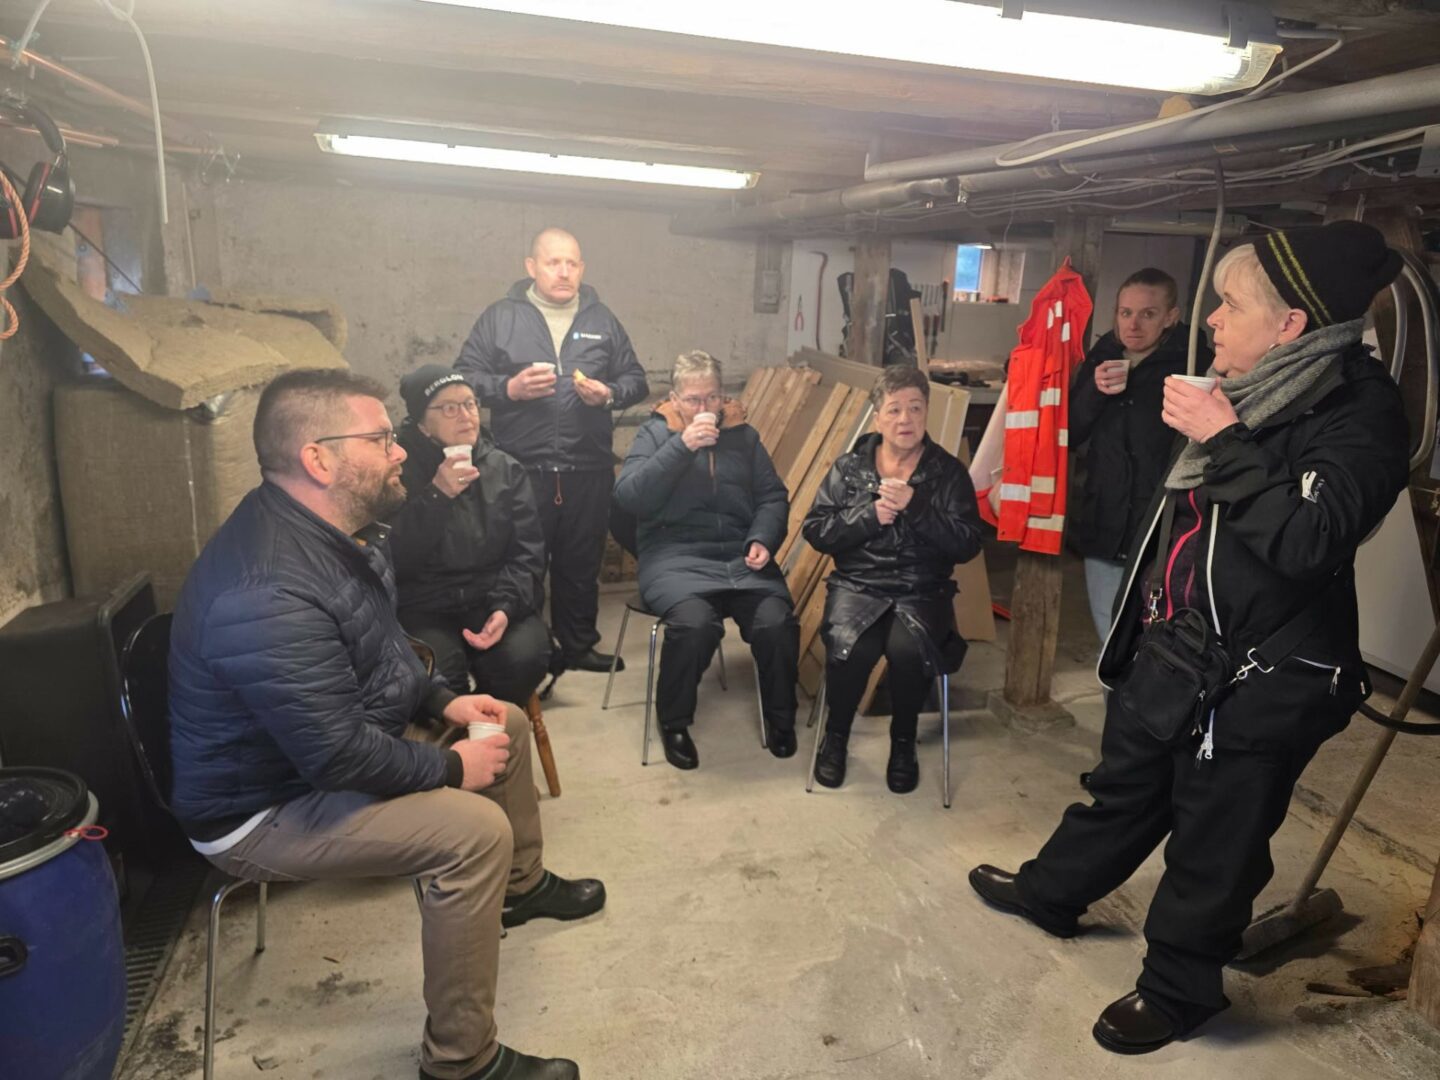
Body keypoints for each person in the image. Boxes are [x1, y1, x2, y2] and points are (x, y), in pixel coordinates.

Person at [969, 222, 1409, 1054]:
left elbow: (1309, 540)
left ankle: (1179, 992)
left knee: (1217, 837)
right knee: (1125, 788)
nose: (1210, 319)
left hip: (1264, 671)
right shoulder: (1248, 383)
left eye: (1230, 305)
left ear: (1290, 324)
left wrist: (1223, 437)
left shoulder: (1359, 411)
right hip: (1179, 642)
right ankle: (1050, 893)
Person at [168, 369, 606, 1080]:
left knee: (502, 722)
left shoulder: (335, 532)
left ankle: (520, 891)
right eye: (379, 439)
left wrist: (443, 702)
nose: (401, 449)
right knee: (474, 833)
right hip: (264, 807)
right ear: (319, 459)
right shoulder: (268, 589)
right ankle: (462, 1061)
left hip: (321, 750)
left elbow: (383, 651)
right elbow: (337, 757)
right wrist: (451, 767)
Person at [455, 227, 649, 675]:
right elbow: (463, 378)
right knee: (521, 563)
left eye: (572, 263)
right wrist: (509, 388)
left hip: (588, 465)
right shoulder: (500, 317)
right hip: (522, 467)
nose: (564, 272)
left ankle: (579, 646)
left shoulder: (602, 319)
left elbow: (635, 380)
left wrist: (610, 394)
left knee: (581, 562)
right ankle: (528, 652)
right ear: (531, 267)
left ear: (582, 268)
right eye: (553, 262)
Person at [612, 350, 799, 771]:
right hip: (674, 558)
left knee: (776, 623)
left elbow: (772, 496)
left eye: (712, 397)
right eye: (693, 399)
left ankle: (780, 718)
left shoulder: (743, 436)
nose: (704, 408)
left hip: (740, 555)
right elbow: (629, 498)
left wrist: (763, 537)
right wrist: (681, 447)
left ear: (723, 396)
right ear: (675, 399)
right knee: (695, 626)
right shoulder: (655, 434)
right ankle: (673, 722)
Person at [802, 366, 984, 792]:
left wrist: (916, 507)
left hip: (923, 589)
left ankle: (903, 743)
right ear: (877, 418)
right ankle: (835, 737)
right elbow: (816, 530)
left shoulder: (947, 472)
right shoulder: (850, 469)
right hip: (858, 584)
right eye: (895, 409)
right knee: (851, 648)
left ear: (926, 412)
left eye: (915, 408)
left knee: (909, 650)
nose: (906, 419)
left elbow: (967, 544)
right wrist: (868, 516)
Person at [390, 364, 553, 707]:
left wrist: (506, 607)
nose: (465, 416)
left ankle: (486, 726)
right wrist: (437, 496)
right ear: (422, 423)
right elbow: (394, 558)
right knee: (436, 673)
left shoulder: (504, 468)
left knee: (525, 659)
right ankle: (460, 733)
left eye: (470, 404)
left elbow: (528, 554)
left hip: (489, 596)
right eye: (449, 408)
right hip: (424, 606)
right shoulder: (396, 472)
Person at [1068, 268, 1214, 642]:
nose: (1133, 325)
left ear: (1171, 316)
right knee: (1109, 635)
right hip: (1104, 518)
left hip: (1164, 528)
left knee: (1158, 638)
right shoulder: (1102, 357)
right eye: (1125, 312)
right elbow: (1069, 432)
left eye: (1148, 314)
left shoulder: (1195, 365)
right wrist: (1094, 391)